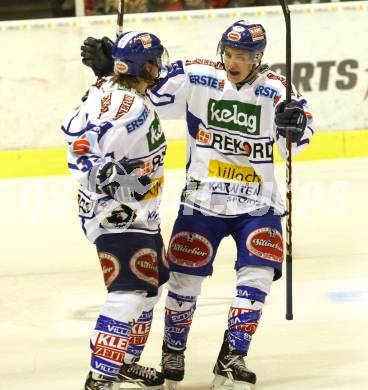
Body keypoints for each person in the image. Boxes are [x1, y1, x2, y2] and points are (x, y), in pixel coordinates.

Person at [81, 20, 314, 389]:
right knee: (184, 280)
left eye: (243, 56)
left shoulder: (277, 89)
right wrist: (112, 69)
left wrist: (295, 125)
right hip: (201, 203)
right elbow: (144, 90)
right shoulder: (197, 75)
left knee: (257, 277)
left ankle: (233, 355)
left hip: (257, 203)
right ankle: (173, 350)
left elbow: (298, 139)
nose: (234, 61)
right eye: (229, 54)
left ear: (258, 57)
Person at [62, 31, 171, 390]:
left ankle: (122, 362)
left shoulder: (112, 92)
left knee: (151, 288)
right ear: (147, 66)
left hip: (139, 209)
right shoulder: (131, 107)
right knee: (128, 291)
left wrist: (105, 74)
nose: (160, 66)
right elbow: (81, 145)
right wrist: (108, 174)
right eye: (155, 61)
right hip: (117, 211)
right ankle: (101, 376)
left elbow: (83, 117)